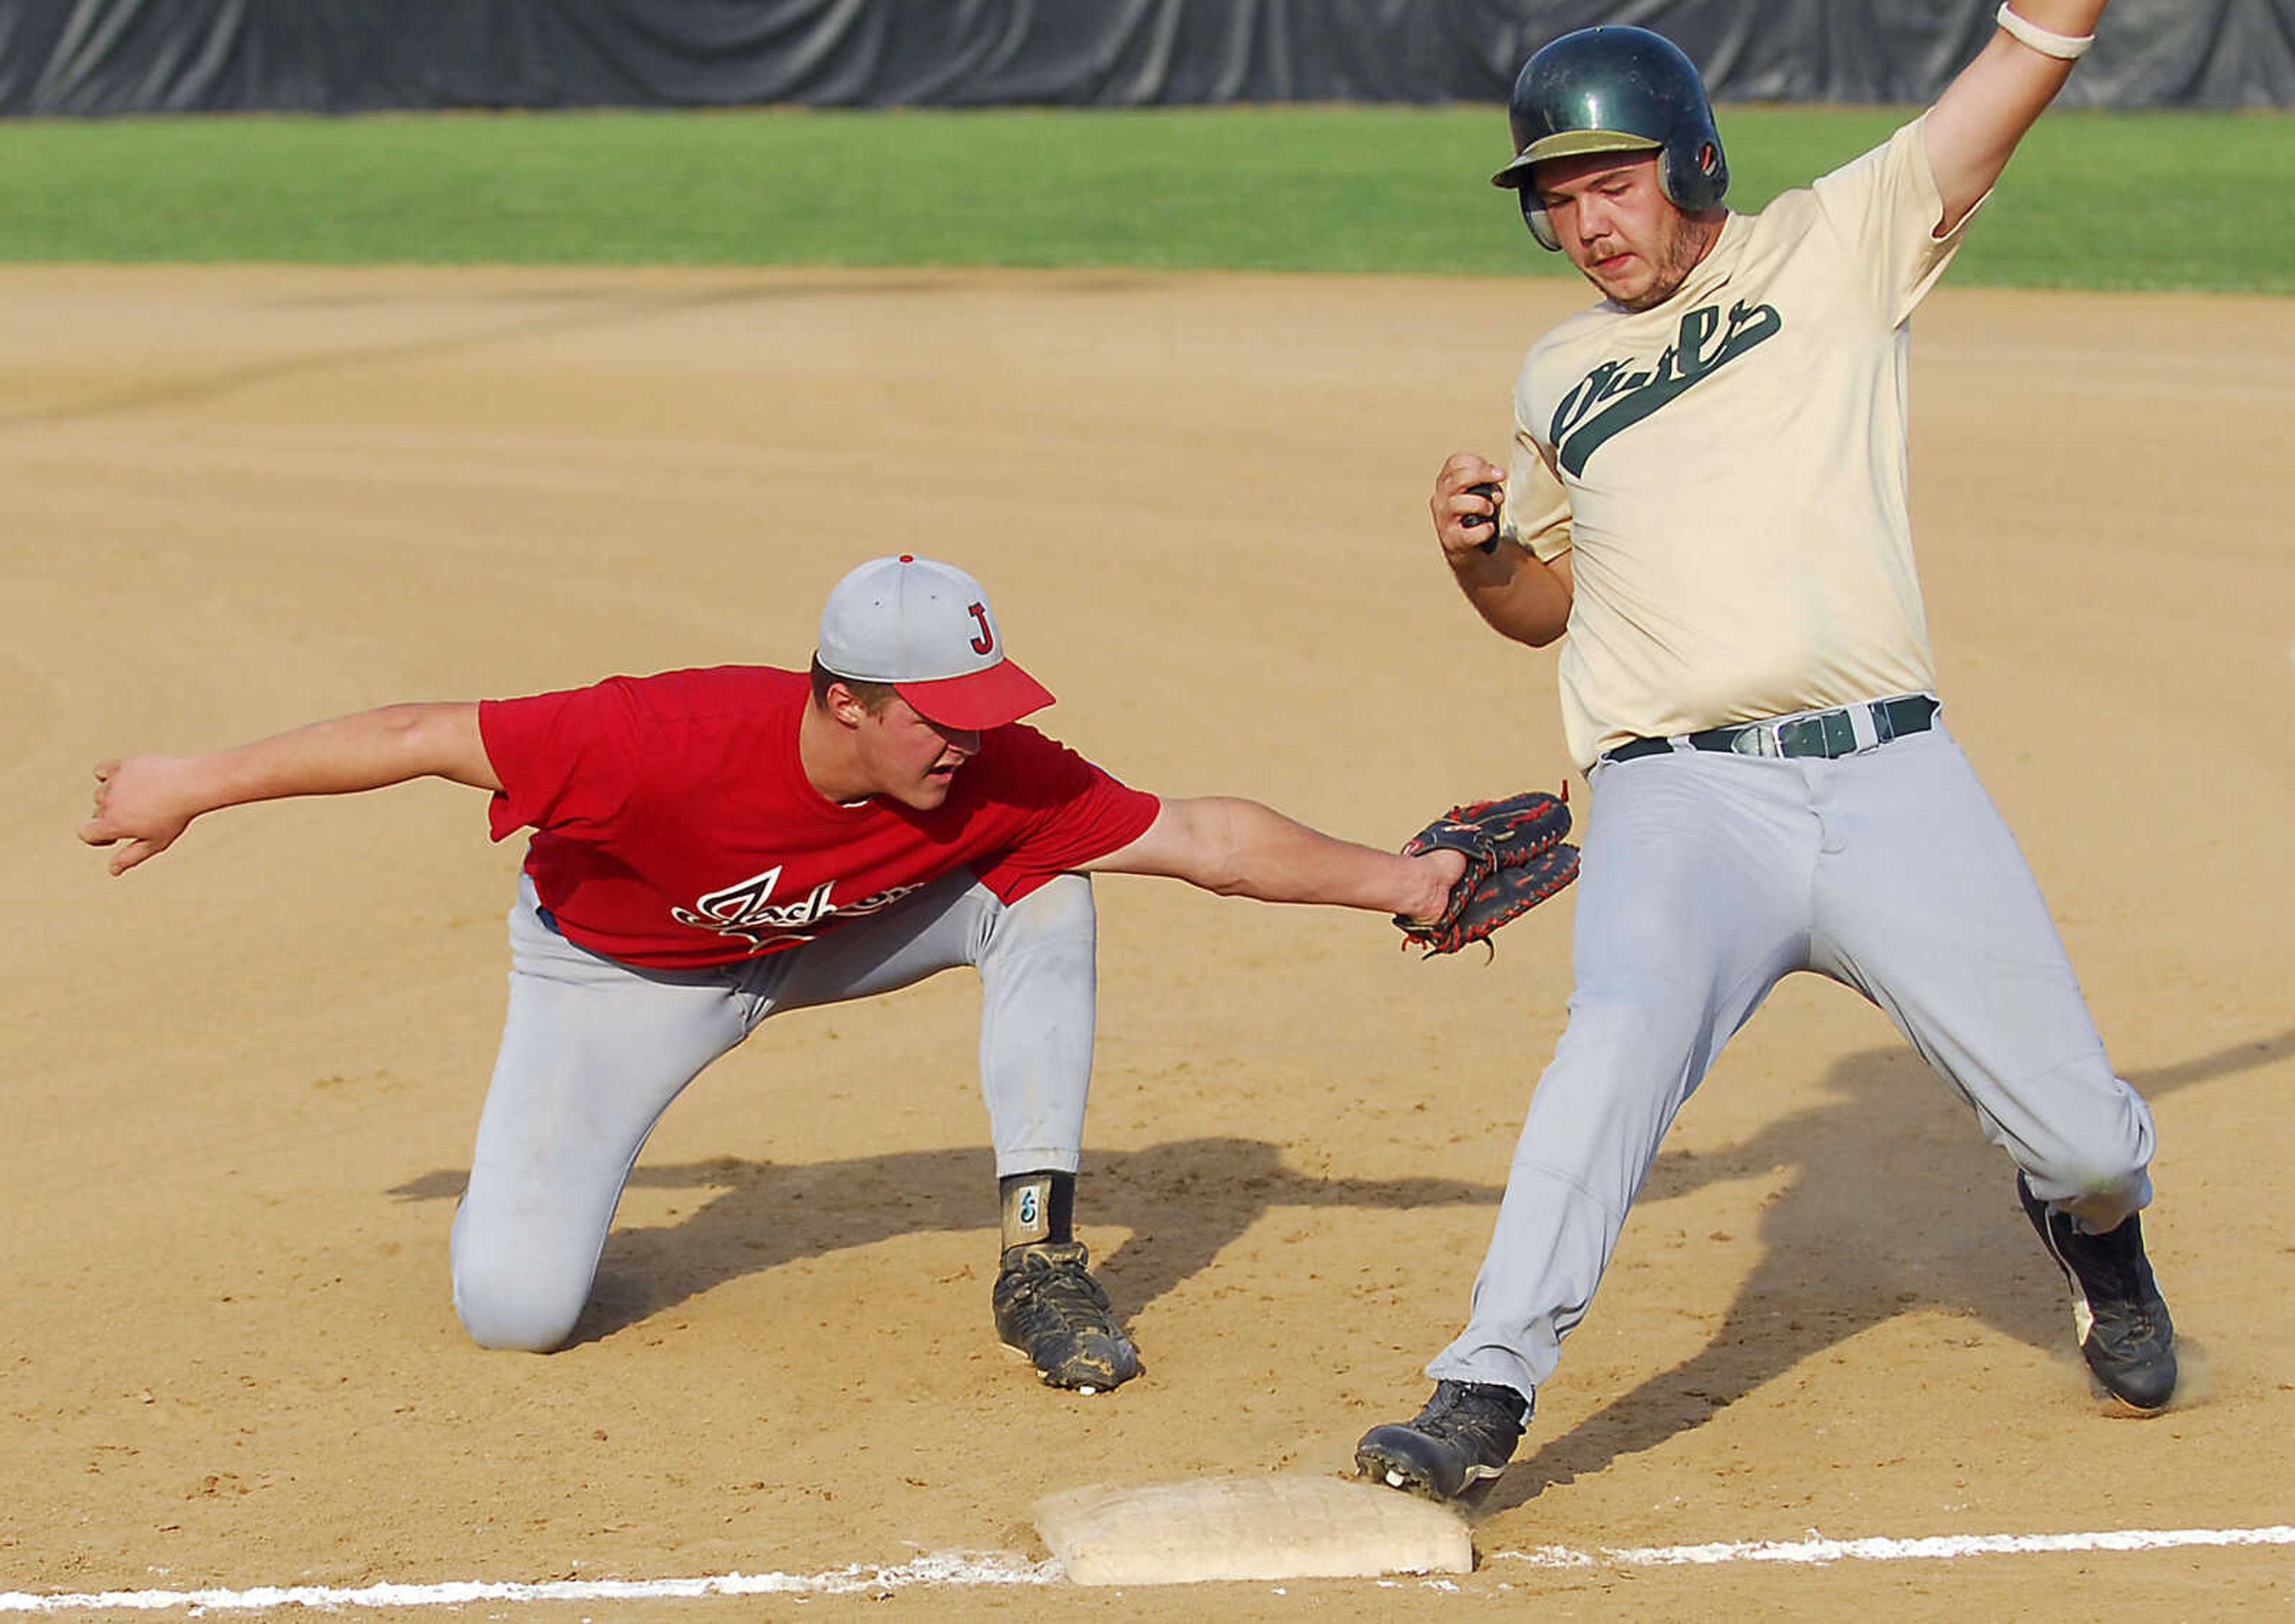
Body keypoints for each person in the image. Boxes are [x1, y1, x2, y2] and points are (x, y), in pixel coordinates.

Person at [1352, 0, 2175, 1502]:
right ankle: (1483, 1384)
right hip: (1677, 800)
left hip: (1888, 776)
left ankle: (2094, 1236)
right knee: (1613, 1048)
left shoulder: (1843, 239)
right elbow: (1549, 609)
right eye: (1558, 200)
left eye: (1613, 181)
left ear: (1697, 166)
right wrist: (1473, 563)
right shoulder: (1556, 378)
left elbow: (2029, 57)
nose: (1589, 226)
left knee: (2086, 1141)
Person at [81, 553, 1469, 1396]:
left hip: (827, 941)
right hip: (615, 982)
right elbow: (418, 732)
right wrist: (190, 785)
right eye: (944, 717)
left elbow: (1206, 839)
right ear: (846, 700)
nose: (973, 745)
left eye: (988, 713)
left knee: (1049, 892)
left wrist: (1407, 882)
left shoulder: (994, 775)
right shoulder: (660, 737)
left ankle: (1040, 1258)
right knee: (515, 1317)